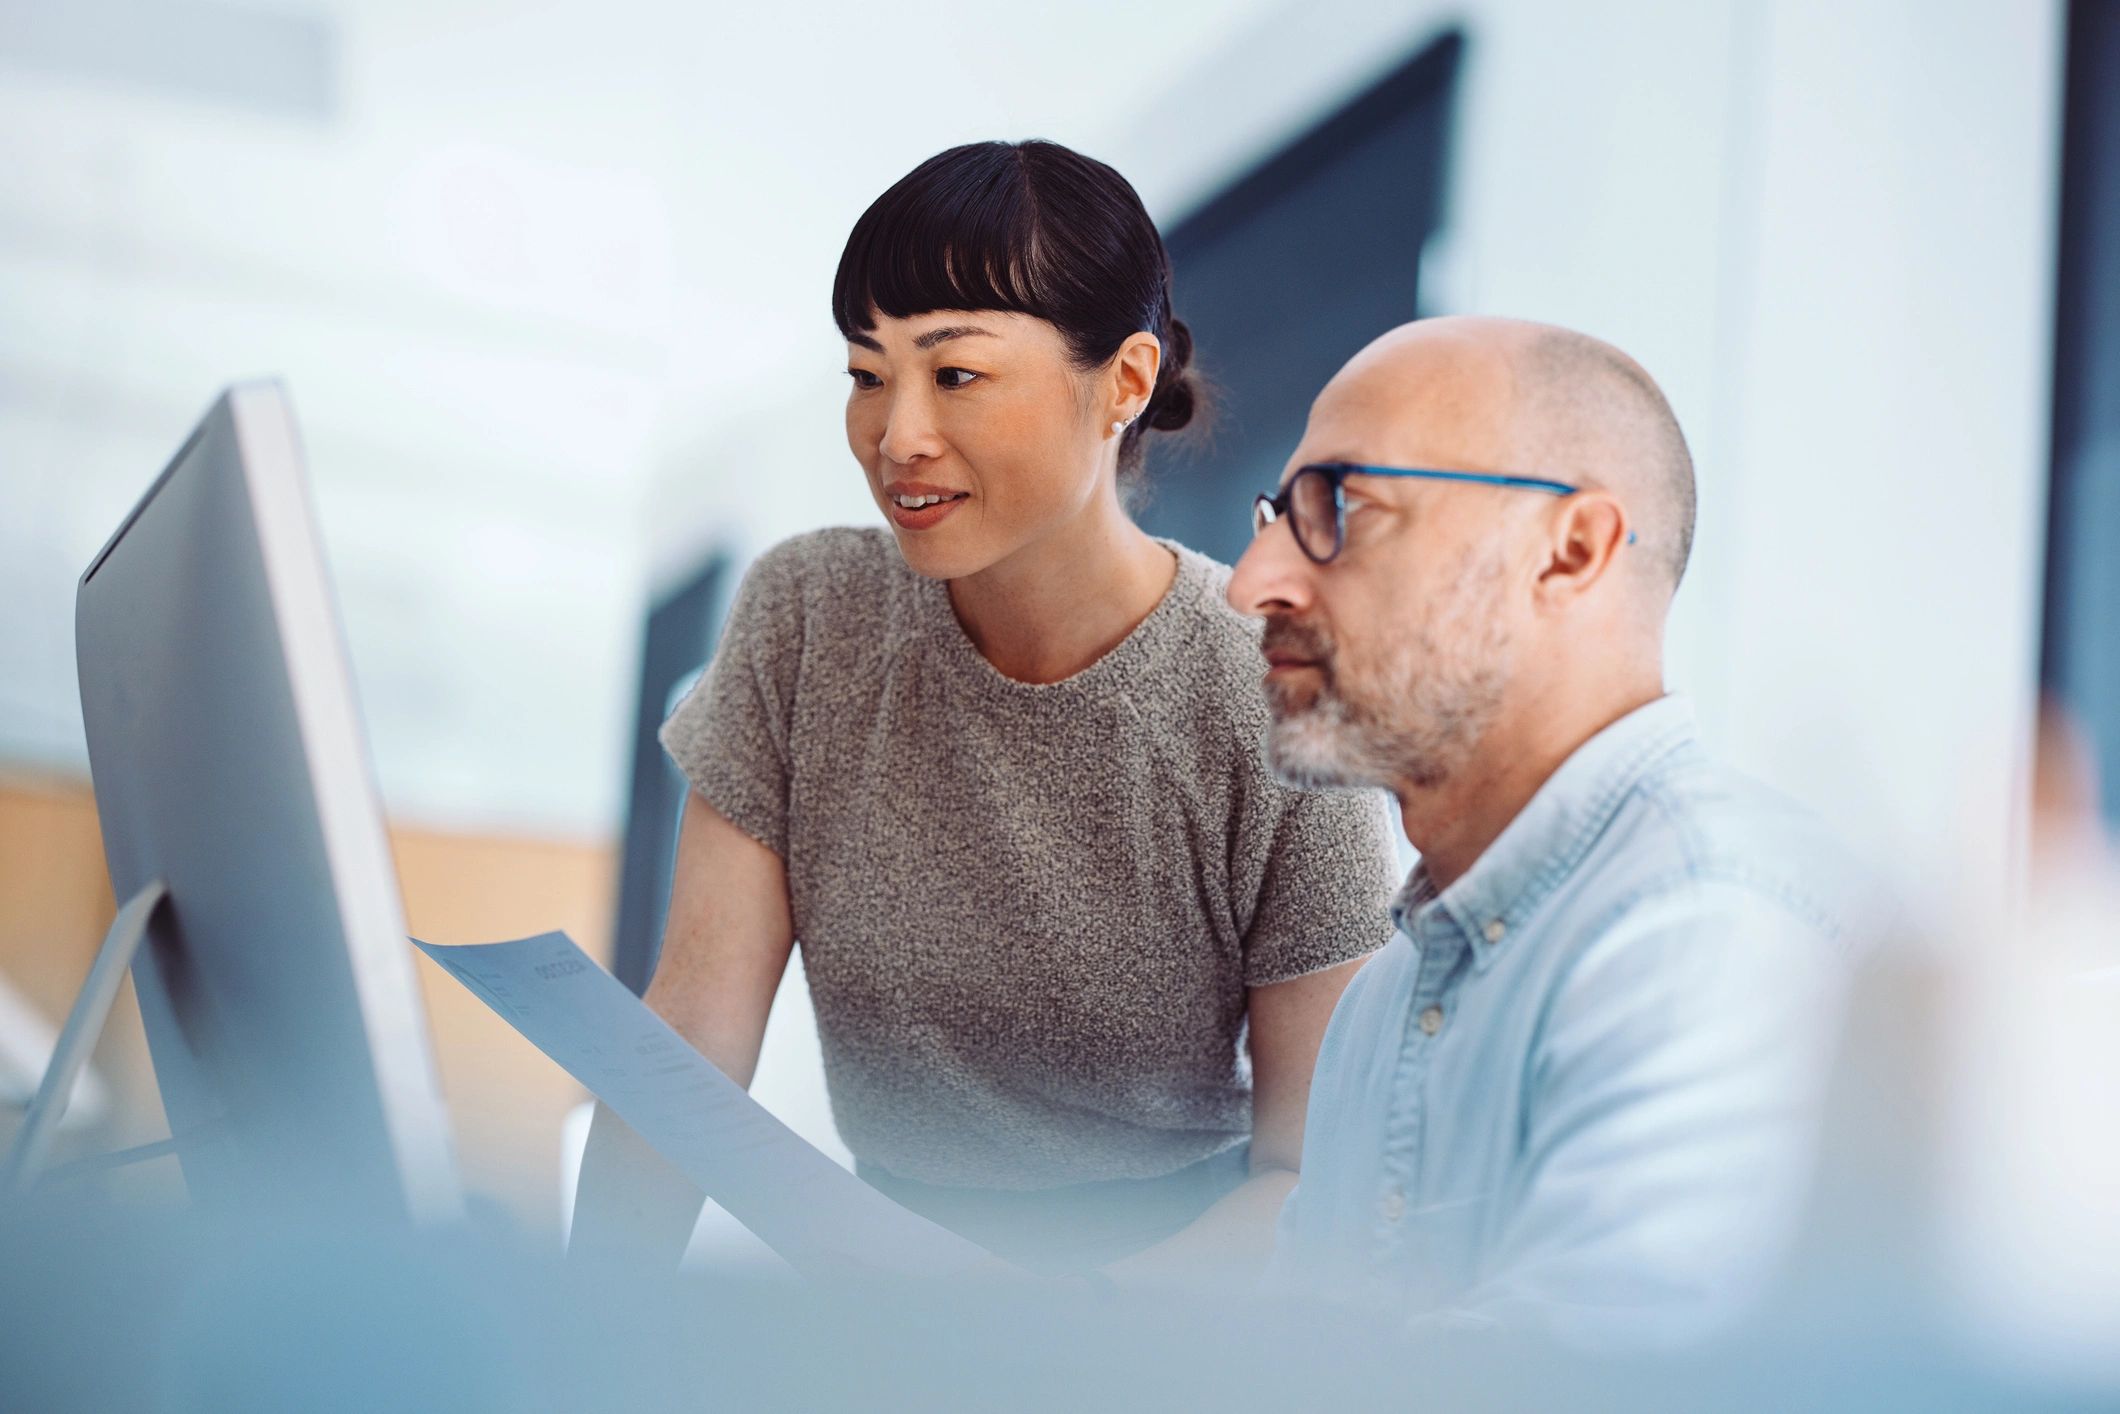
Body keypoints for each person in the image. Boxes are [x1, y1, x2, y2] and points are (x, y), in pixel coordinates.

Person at [571, 140, 1399, 1279]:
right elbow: (691, 1040)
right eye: (867, 374)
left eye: (954, 374)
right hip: (884, 1284)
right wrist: (588, 1317)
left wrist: (1060, 1339)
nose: (895, 436)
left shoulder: (1270, 689)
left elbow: (1307, 1178)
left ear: (1123, 384)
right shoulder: (806, 615)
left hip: (1172, 1305)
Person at [1227, 315, 1871, 1345]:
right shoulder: (1381, 1002)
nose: (1250, 582)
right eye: (1278, 515)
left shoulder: (1706, 928)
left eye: (1342, 506)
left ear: (1569, 553)